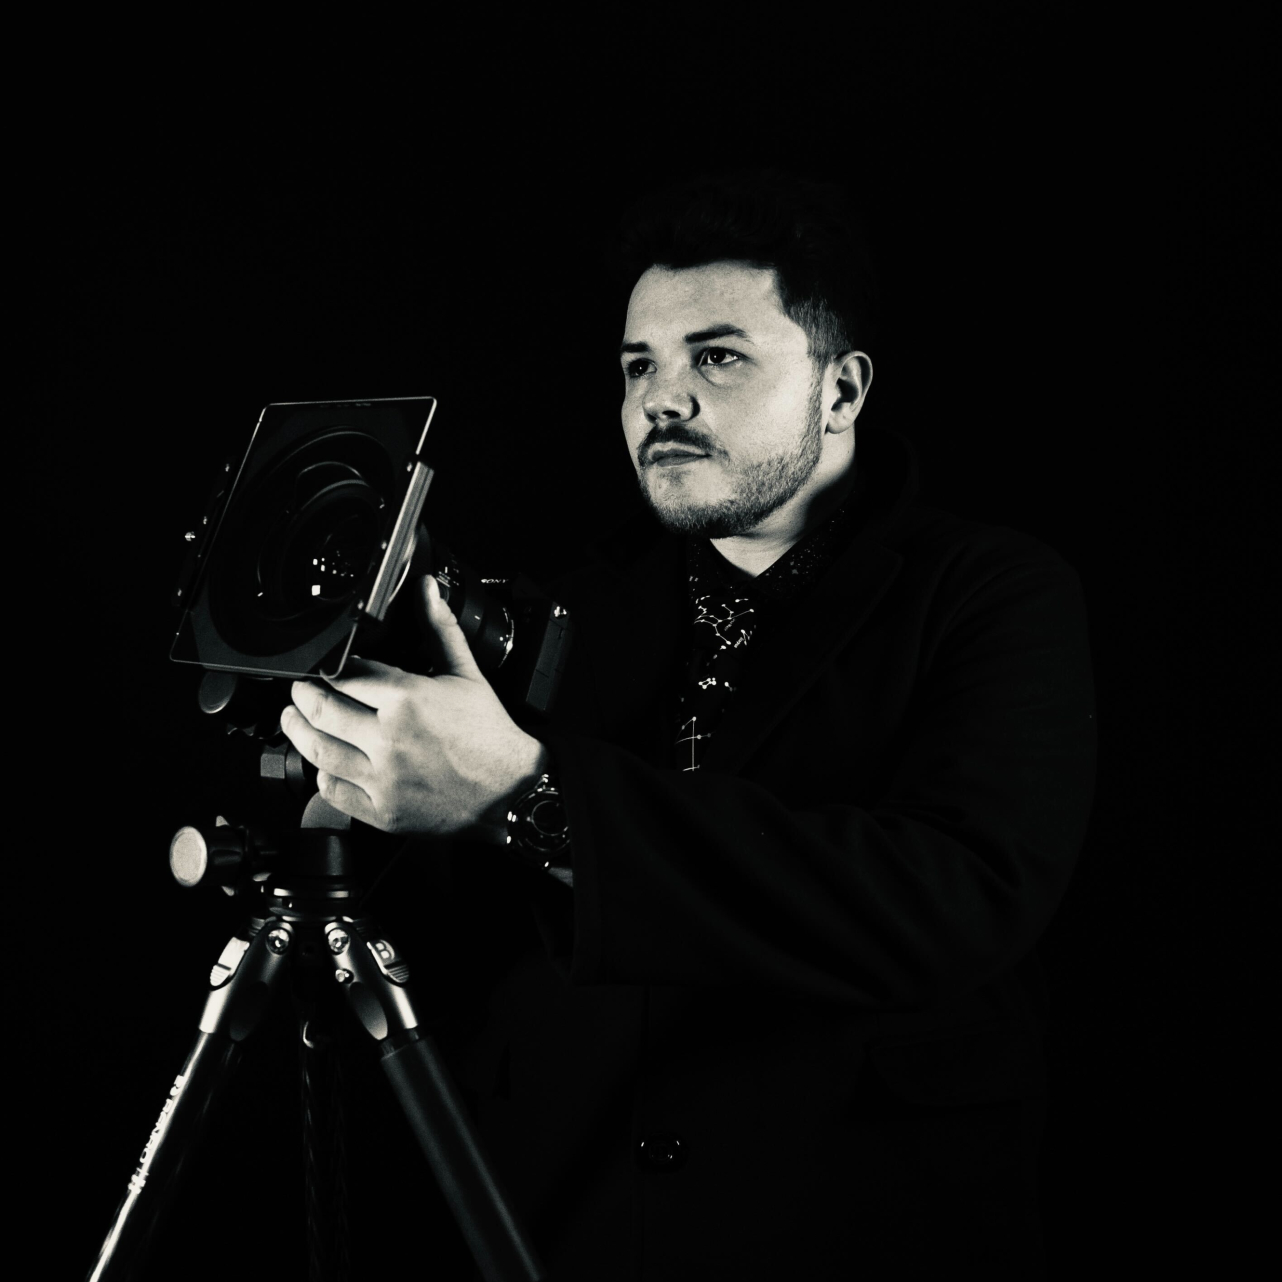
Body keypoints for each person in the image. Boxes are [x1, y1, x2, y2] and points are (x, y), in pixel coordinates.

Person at [279, 168, 1097, 1280]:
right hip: (558, 1226)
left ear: (840, 389)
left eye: (716, 356)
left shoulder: (990, 593)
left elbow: (954, 898)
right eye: (637, 367)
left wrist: (528, 797)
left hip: (854, 1228)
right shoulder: (568, 608)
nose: (661, 399)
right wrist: (371, 782)